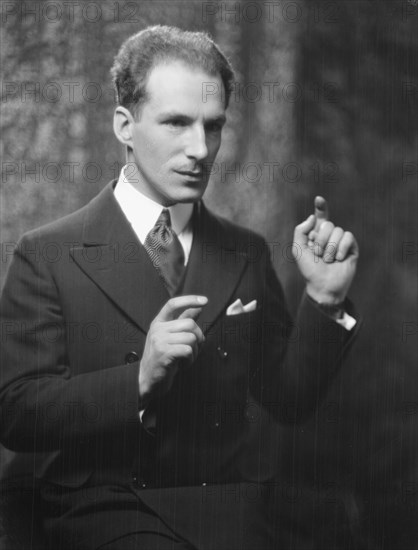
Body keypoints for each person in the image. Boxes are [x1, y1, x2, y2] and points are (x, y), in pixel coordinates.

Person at [0, 26, 360, 550]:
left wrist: (324, 300)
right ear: (124, 125)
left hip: (228, 512)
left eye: (212, 127)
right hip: (101, 506)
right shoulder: (47, 253)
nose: (200, 149)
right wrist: (139, 379)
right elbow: (16, 414)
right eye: (176, 123)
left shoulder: (246, 251)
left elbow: (289, 400)